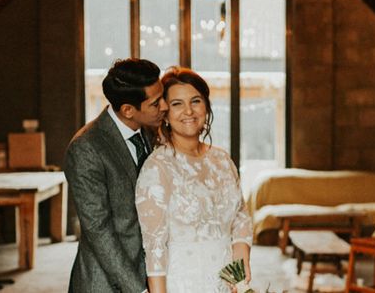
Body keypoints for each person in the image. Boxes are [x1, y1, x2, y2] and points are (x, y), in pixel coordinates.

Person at [135, 66, 253, 293]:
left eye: (196, 101)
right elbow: (154, 247)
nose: (188, 111)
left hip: (226, 284)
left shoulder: (222, 160)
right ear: (165, 114)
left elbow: (240, 217)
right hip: (183, 284)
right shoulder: (158, 168)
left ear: (206, 107)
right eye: (177, 104)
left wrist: (240, 267)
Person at [65, 58, 167, 293]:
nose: (164, 106)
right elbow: (99, 230)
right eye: (155, 103)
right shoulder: (86, 148)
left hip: (153, 273)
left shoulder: (151, 131)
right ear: (128, 110)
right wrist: (138, 290)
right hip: (106, 283)